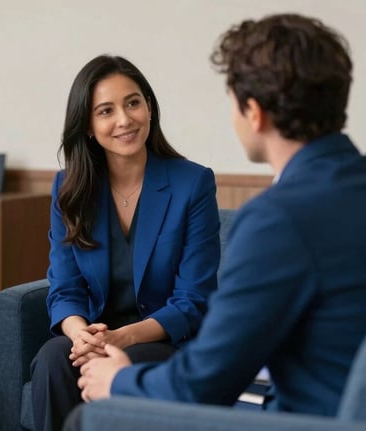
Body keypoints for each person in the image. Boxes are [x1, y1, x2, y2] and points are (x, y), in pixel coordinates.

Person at [70, 13, 366, 426]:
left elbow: (204, 383)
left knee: (93, 420)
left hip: (311, 421)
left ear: (254, 112)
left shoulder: (276, 221)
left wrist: (119, 380)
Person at [29, 54, 222, 431]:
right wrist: (80, 333)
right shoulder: (68, 189)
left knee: (117, 363)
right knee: (54, 357)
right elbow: (65, 287)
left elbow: (193, 300)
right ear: (87, 126)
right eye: (105, 110)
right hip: (96, 334)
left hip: (166, 341)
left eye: (133, 102)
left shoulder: (193, 183)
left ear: (149, 107)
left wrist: (122, 338)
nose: (124, 119)